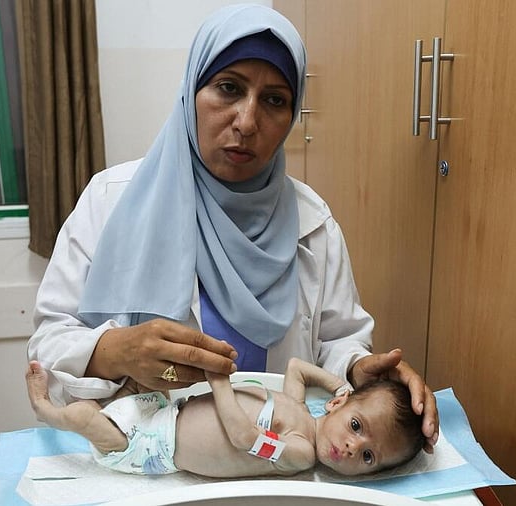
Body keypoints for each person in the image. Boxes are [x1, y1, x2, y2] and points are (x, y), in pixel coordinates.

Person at [27, 3, 439, 452]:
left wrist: (362, 372)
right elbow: (48, 344)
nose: (246, 122)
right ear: (192, 90)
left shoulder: (312, 222)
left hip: (269, 470)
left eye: (275, 100)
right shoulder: (110, 200)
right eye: (228, 88)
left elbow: (338, 343)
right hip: (145, 466)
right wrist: (111, 352)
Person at [25, 355, 426, 477]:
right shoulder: (300, 409)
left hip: (152, 446)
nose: (353, 447)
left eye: (368, 457)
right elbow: (296, 367)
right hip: (165, 410)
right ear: (338, 406)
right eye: (357, 427)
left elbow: (243, 437)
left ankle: (49, 411)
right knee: (145, 372)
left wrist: (218, 381)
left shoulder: (301, 451)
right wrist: (341, 385)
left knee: (88, 418)